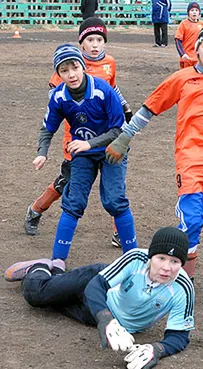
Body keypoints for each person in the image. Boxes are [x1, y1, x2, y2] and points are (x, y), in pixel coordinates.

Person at [105, 26, 203, 294]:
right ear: (196, 50)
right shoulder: (181, 78)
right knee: (193, 219)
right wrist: (124, 137)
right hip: (191, 160)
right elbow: (149, 108)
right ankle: (187, 280)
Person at [4, 227, 195, 369]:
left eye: (175, 262)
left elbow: (179, 336)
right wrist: (106, 319)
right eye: (161, 258)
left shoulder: (183, 288)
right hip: (95, 287)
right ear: (150, 256)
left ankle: (57, 272)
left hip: (92, 315)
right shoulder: (136, 259)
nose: (166, 268)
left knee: (51, 304)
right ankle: (39, 267)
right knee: (35, 295)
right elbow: (96, 286)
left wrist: (158, 349)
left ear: (182, 263)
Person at [24, 17, 133, 250]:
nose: (95, 44)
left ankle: (119, 233)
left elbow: (113, 88)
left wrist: (125, 106)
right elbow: (55, 106)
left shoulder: (109, 63)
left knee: (114, 192)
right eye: (90, 39)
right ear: (81, 43)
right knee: (67, 182)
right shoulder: (67, 66)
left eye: (99, 40)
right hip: (76, 138)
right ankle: (36, 209)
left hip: (105, 134)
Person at [174, 2, 203, 69]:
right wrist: (182, 54)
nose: (194, 12)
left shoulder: (202, 24)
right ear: (188, 13)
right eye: (192, 10)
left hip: (198, 58)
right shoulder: (183, 24)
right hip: (187, 58)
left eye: (196, 10)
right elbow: (177, 40)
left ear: (199, 12)